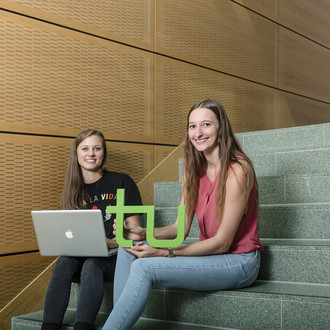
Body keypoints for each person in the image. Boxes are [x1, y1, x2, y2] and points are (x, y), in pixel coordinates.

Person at [103, 99, 263, 330]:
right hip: (210, 255)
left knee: (144, 266)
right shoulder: (192, 171)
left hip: (240, 261)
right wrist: (142, 231)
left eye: (206, 125)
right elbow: (180, 229)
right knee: (130, 245)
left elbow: (222, 243)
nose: (198, 133)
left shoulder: (237, 170)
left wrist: (163, 251)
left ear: (221, 128)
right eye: (192, 126)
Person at [41, 129, 142, 330]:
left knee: (93, 264)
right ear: (76, 154)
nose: (91, 154)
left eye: (97, 148)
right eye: (85, 148)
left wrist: (110, 241)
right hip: (81, 253)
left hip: (114, 254)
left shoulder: (122, 181)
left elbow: (135, 233)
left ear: (103, 153)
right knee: (63, 263)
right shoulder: (72, 189)